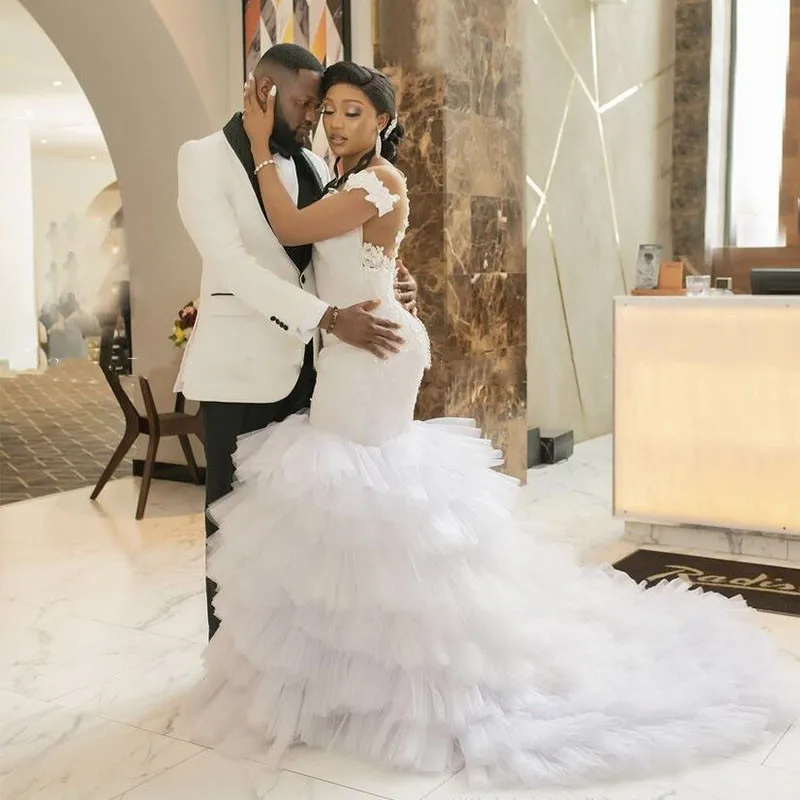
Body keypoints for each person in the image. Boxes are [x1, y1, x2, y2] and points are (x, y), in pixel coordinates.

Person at [181, 62, 795, 789]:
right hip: (349, 345)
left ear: (383, 122)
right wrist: (386, 278)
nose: (333, 122)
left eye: (350, 111)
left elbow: (291, 227)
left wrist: (261, 150)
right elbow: (322, 259)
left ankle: (404, 677)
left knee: (364, 501)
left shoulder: (373, 180)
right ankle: (346, 677)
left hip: (370, 353)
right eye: (327, 109)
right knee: (353, 512)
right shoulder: (336, 175)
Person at [175, 44, 417, 640]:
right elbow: (232, 265)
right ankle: (233, 666)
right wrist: (328, 317)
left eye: (330, 108)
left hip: (317, 371)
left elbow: (335, 247)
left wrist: (392, 278)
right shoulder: (202, 157)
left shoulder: (311, 162)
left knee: (299, 533)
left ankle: (294, 663)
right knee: (234, 532)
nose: (318, 119)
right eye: (310, 105)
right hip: (243, 372)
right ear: (264, 92)